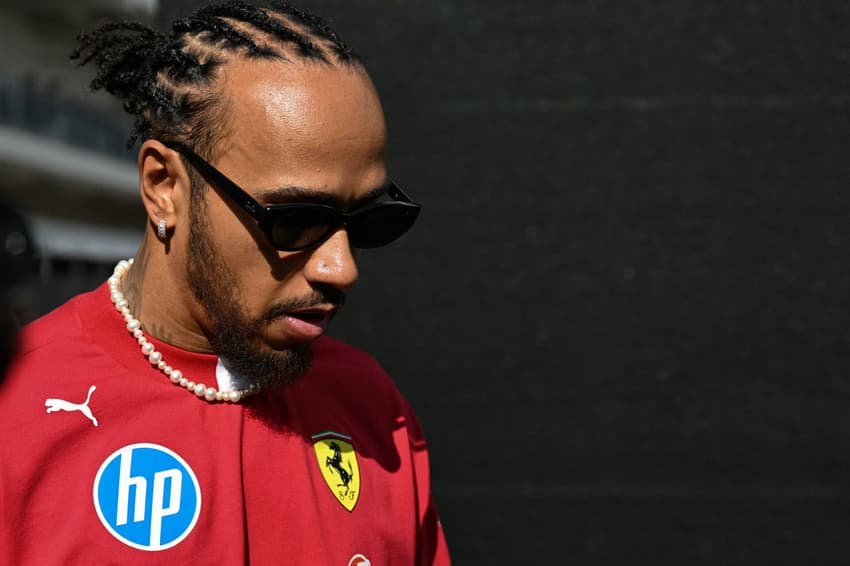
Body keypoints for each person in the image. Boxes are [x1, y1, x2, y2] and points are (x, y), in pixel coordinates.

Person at [0, 2, 450, 564]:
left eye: (368, 221)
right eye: (293, 218)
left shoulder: (376, 411)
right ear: (163, 184)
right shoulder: (13, 415)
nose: (341, 267)